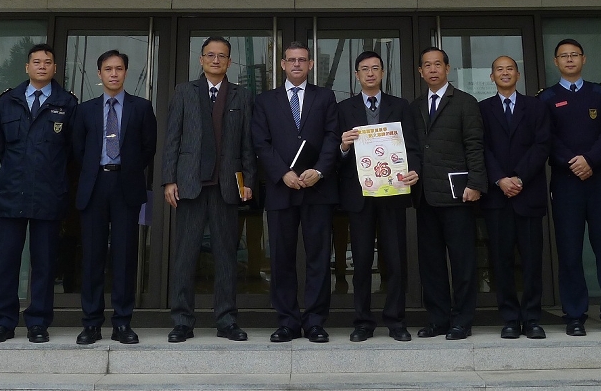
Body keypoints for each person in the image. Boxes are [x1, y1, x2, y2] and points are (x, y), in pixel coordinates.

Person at [161, 36, 256, 343]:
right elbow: (172, 138)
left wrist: (249, 181)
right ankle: (182, 321)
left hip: (226, 186)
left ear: (229, 61)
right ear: (201, 59)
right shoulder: (184, 92)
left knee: (226, 256)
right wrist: (169, 180)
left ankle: (226, 320)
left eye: (222, 56)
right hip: (190, 185)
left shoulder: (242, 95)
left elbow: (247, 143)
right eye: (210, 55)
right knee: (185, 256)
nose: (216, 60)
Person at [0, 44, 79, 344]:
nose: (41, 66)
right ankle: (2, 322)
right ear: (27, 67)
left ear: (55, 68)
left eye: (47, 62)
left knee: (44, 263)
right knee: (7, 262)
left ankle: (38, 322)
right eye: (36, 62)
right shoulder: (7, 101)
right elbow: (3, 148)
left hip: (48, 194)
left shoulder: (67, 103)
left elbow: (72, 152)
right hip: (12, 191)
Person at [539, 39, 601, 337]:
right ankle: (574, 314)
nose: (569, 60)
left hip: (599, 180)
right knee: (569, 252)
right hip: (566, 182)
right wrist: (572, 162)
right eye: (563, 56)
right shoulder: (547, 98)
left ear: (583, 59)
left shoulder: (600, 94)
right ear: (555, 62)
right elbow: (546, 137)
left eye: (574, 55)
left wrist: (590, 160)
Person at [252, 41, 340, 343]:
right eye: (291, 60)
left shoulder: (325, 97)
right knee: (281, 259)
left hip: (318, 189)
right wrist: (282, 173)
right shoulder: (265, 100)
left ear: (311, 64)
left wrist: (320, 170)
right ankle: (287, 321)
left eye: (302, 60)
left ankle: (315, 321)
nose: (297, 65)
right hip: (282, 189)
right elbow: (260, 142)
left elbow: (332, 137)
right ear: (282, 64)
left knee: (319, 259)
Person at [73, 49, 157, 346]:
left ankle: (122, 322)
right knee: (92, 257)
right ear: (99, 73)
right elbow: (77, 149)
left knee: (124, 257)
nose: (113, 73)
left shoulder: (141, 107)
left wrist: (128, 168)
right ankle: (91, 323)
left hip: (126, 185)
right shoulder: (85, 110)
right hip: (94, 185)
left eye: (118, 68)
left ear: (126, 72)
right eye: (108, 69)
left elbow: (148, 147)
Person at [336, 50, 419, 342]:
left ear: (383, 73)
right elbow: (335, 154)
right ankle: (362, 322)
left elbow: (412, 146)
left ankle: (396, 321)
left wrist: (415, 170)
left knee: (394, 259)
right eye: (364, 69)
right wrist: (343, 146)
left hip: (393, 192)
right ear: (356, 75)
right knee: (360, 261)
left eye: (375, 68)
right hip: (358, 195)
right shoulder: (343, 109)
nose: (370, 73)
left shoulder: (401, 106)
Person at [410, 47, 487, 340]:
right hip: (425, 197)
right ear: (420, 71)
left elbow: (475, 146)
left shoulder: (465, 102)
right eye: (427, 65)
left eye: (437, 64)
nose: (432, 69)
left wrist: (476, 184)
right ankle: (438, 319)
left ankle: (462, 320)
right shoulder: (415, 106)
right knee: (431, 264)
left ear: (447, 68)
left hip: (458, 196)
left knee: (462, 262)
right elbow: (413, 149)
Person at [478, 56, 549, 340]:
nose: (505, 73)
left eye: (510, 69)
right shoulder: (482, 109)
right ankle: (509, 318)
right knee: (501, 260)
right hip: (497, 198)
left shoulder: (536, 106)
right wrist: (500, 179)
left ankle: (532, 318)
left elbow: (542, 144)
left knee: (532, 261)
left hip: (527, 193)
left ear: (518, 75)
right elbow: (481, 148)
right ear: (492, 77)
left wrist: (519, 177)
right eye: (499, 70)